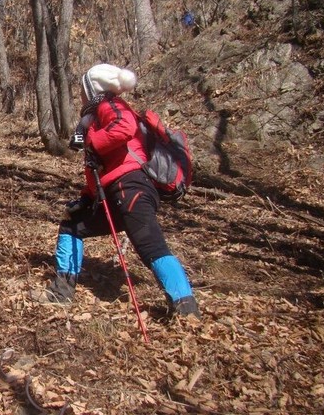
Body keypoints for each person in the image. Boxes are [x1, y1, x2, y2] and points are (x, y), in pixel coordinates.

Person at [35, 64, 200, 318]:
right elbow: (102, 170)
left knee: (151, 247)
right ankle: (61, 292)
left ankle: (186, 309)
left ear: (93, 89)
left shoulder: (109, 105)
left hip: (131, 188)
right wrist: (86, 198)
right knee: (73, 225)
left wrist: (93, 142)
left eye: (82, 89)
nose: (79, 94)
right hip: (115, 192)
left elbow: (124, 128)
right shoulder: (94, 116)